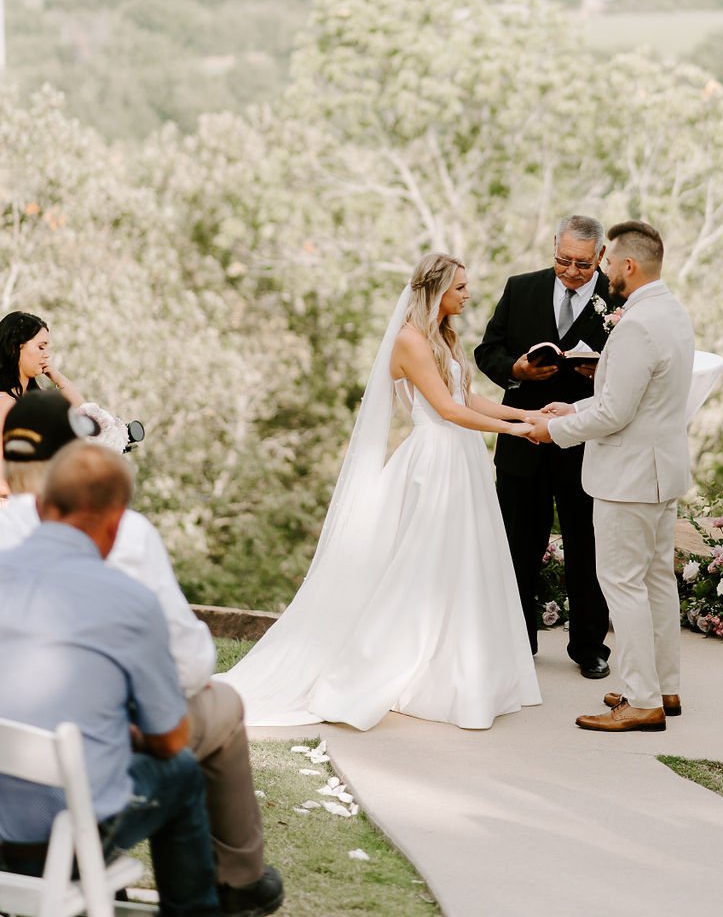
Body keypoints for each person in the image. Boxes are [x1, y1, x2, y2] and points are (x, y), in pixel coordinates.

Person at [225, 252, 542, 731]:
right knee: (424, 563)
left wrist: (526, 415)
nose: (467, 294)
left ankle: (457, 667)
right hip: (435, 459)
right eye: (460, 288)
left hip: (462, 459)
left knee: (461, 562)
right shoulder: (411, 341)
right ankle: (402, 664)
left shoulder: (443, 336)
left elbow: (466, 399)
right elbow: (446, 411)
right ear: (437, 291)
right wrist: (520, 434)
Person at [0, 390, 283, 917]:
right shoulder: (122, 542)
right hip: (65, 807)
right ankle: (232, 885)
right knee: (182, 757)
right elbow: (186, 678)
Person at [528, 221, 694, 733]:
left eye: (606, 263)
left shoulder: (637, 325)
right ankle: (664, 686)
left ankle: (641, 700)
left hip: (628, 477)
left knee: (621, 584)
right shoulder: (673, 313)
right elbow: (631, 400)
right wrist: (572, 405)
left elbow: (615, 415)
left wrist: (553, 430)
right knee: (655, 582)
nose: (602, 273)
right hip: (660, 472)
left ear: (627, 266)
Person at [476, 215, 612, 677]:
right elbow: (486, 350)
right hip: (522, 440)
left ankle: (590, 647)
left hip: (586, 443)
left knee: (587, 546)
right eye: (562, 260)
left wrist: (601, 374)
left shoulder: (619, 297)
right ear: (554, 247)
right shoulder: (521, 287)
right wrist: (517, 371)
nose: (571, 271)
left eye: (582, 264)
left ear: (601, 259)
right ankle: (518, 640)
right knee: (517, 543)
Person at [0, 310, 83, 499]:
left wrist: (59, 379)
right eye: (41, 347)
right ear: (15, 348)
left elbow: (84, 418)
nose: (47, 355)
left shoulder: (37, 399)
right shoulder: (4, 403)